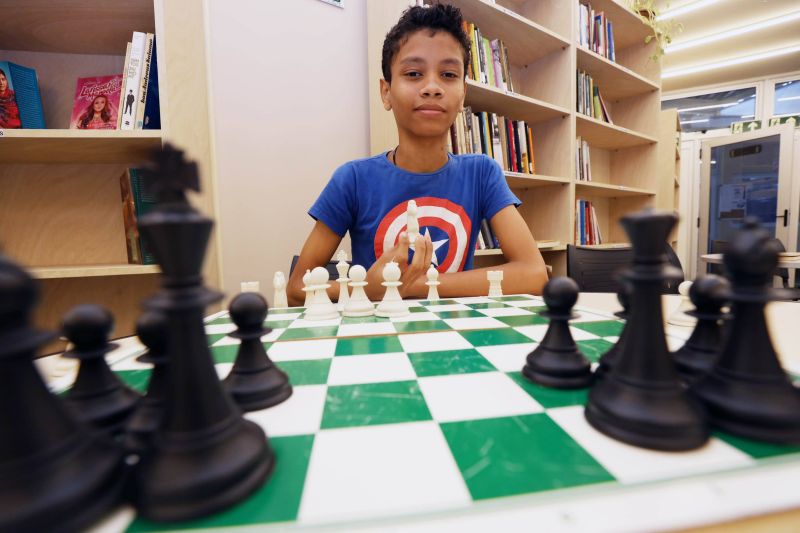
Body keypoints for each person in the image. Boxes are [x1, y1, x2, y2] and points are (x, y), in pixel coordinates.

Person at [286, 3, 548, 306]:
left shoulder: (482, 173)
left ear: (462, 93)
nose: (432, 87)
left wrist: (410, 286)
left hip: (455, 341)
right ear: (386, 92)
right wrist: (368, 290)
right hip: (377, 340)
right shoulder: (353, 179)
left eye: (448, 74)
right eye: (413, 73)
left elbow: (534, 274)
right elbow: (295, 290)